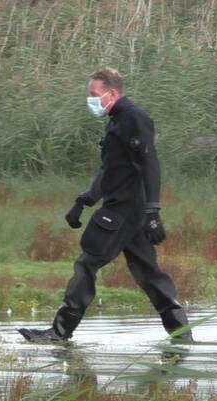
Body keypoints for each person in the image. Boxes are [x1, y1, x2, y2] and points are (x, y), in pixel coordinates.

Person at [19, 68, 191, 343]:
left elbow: (150, 165)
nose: (90, 99)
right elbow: (111, 169)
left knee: (86, 264)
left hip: (124, 210)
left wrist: (153, 212)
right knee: (149, 274)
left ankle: (60, 332)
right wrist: (84, 200)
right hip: (125, 210)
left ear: (111, 93)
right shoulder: (117, 121)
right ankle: (182, 336)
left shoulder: (135, 119)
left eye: (93, 94)